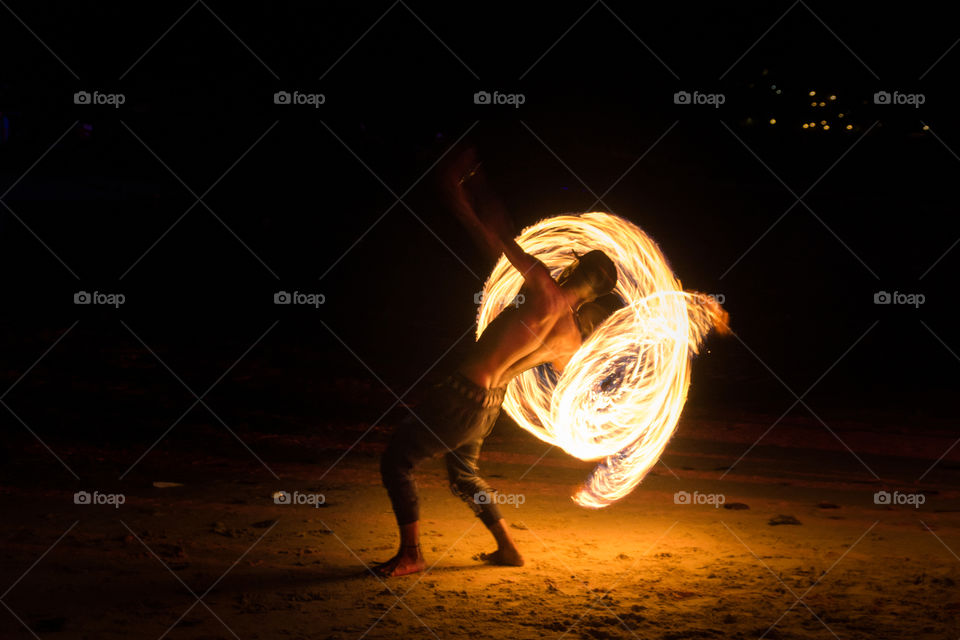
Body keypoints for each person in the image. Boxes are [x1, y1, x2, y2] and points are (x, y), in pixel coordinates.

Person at [375, 150, 618, 577]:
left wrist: (468, 186)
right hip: (489, 407)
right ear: (596, 297)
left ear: (574, 264)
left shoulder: (542, 282)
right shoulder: (571, 341)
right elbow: (582, 391)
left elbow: (499, 233)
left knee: (396, 462)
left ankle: (412, 553)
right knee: (464, 476)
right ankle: (509, 548)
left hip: (461, 397)